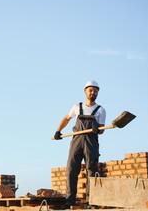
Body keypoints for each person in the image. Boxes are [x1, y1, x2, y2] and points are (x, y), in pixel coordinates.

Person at [54, 80, 106, 209]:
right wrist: (58, 131)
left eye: (95, 90)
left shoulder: (101, 110)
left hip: (91, 142)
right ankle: (69, 200)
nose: (92, 92)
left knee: (91, 171)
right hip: (76, 140)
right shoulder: (77, 106)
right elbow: (67, 118)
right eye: (90, 90)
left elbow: (102, 130)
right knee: (71, 170)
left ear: (97, 93)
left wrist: (97, 130)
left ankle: (91, 202)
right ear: (85, 91)